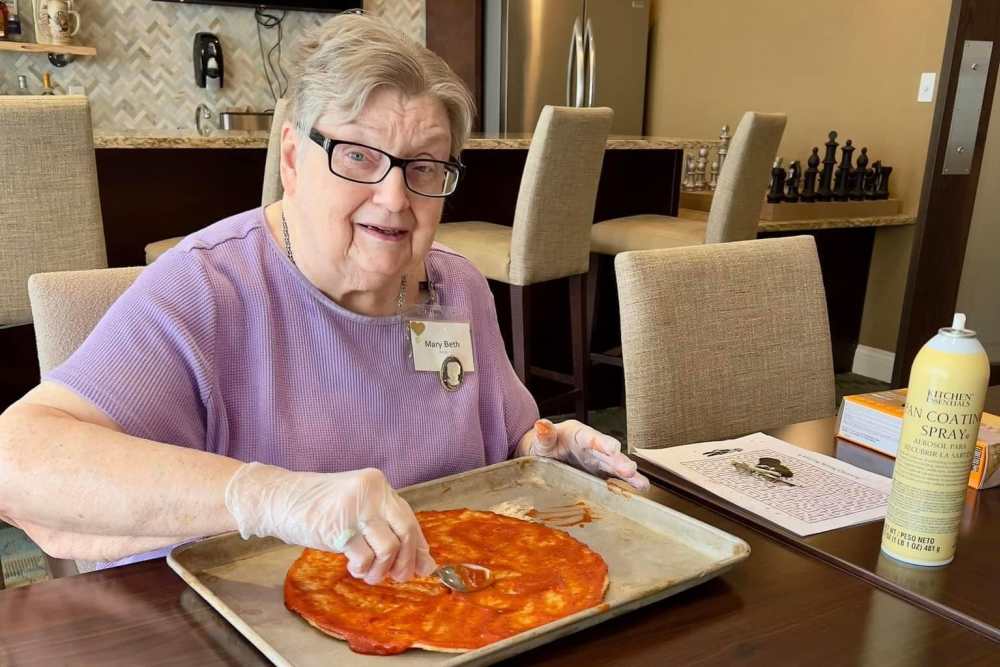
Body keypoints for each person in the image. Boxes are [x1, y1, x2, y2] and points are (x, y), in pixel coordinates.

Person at [0, 12, 648, 586]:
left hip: (438, 600)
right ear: (291, 158)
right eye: (358, 156)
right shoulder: (207, 287)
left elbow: (504, 440)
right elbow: (16, 459)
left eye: (424, 166)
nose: (394, 198)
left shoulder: (457, 285)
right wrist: (274, 498)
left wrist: (544, 450)